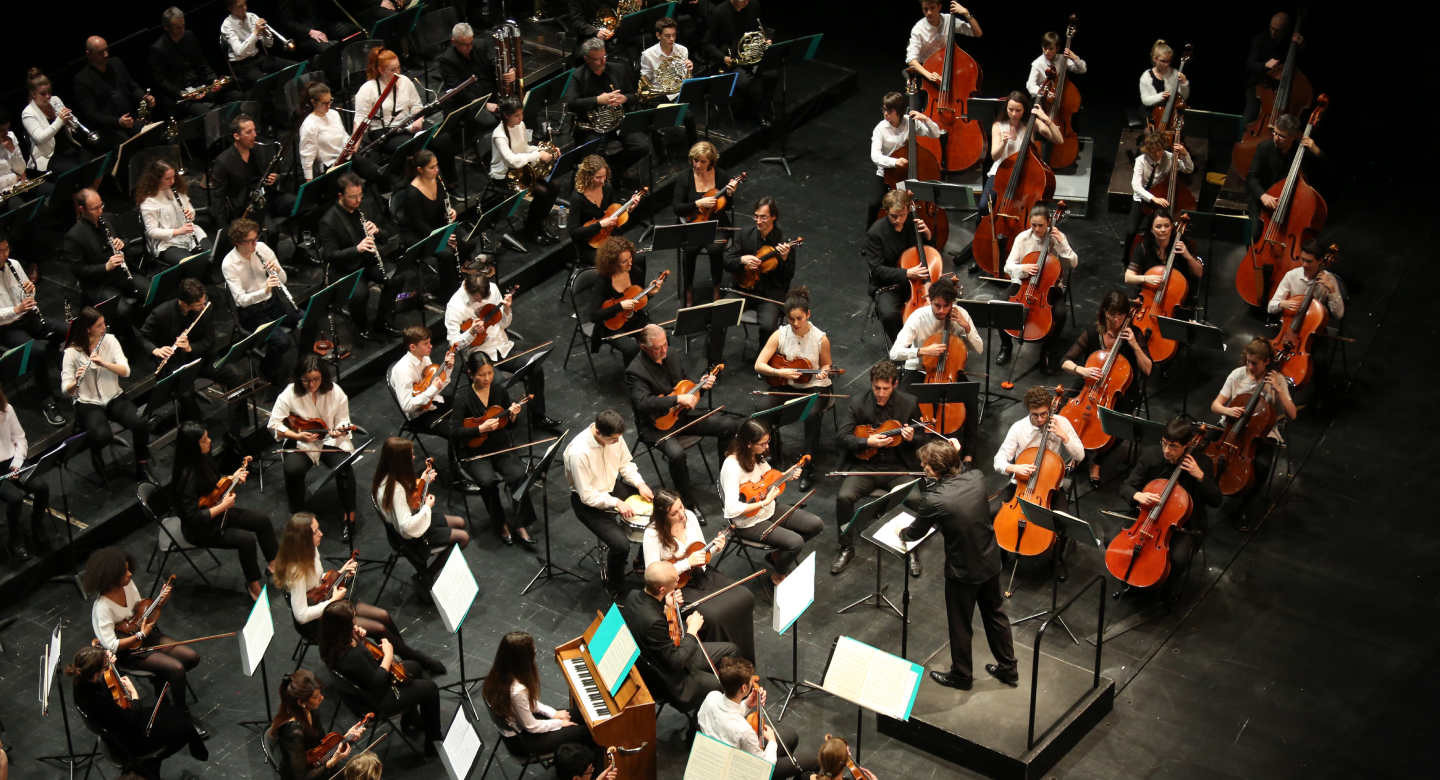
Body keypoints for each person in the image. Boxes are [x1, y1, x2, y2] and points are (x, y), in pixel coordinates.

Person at [899, 440, 1017, 689]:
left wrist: (902, 533)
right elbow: (962, 466)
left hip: (963, 571)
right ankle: (1009, 669)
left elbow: (914, 533)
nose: (923, 466)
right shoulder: (976, 477)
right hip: (990, 559)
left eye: (926, 464)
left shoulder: (935, 499)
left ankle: (962, 676)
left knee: (960, 625)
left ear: (938, 469)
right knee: (996, 615)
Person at [271, 512, 446, 672]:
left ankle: (403, 654)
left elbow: (317, 580)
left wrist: (340, 573)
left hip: (326, 603)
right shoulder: (296, 571)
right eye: (315, 532)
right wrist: (332, 602)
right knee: (379, 628)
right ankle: (416, 659)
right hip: (316, 621)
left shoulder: (312, 549)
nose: (321, 533)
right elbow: (301, 615)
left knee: (384, 615)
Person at [626, 324, 740, 523]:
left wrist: (701, 386)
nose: (663, 350)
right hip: (655, 425)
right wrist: (676, 400)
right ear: (643, 347)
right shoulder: (635, 371)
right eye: (657, 348)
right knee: (676, 454)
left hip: (681, 416)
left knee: (728, 425)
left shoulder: (671, 354)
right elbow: (643, 403)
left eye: (665, 344)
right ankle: (688, 504)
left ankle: (726, 480)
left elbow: (684, 385)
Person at [83, 547, 206, 731]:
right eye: (124, 572)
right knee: (177, 669)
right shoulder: (102, 607)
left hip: (145, 636)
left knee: (191, 657)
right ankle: (182, 716)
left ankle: (160, 682)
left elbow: (141, 614)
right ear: (111, 576)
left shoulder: (128, 585)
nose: (130, 573)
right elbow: (111, 644)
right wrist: (140, 635)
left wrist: (160, 602)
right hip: (129, 652)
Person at [832, 360, 929, 576]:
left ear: (894, 384)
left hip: (897, 468)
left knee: (915, 500)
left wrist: (912, 438)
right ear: (871, 383)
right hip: (865, 466)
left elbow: (924, 438)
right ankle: (846, 547)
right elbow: (841, 437)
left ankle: (910, 546)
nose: (881, 394)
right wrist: (867, 443)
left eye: (886, 388)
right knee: (844, 497)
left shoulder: (909, 402)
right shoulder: (857, 403)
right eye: (877, 388)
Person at [317, 601, 442, 756]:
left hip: (367, 687)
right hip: (376, 701)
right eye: (352, 620)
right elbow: (377, 682)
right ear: (343, 626)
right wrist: (388, 654)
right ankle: (433, 741)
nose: (355, 621)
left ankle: (411, 718)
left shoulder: (330, 643)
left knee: (414, 667)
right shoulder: (351, 656)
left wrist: (357, 636)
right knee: (431, 689)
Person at [1121, 418, 1222, 608]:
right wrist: (1138, 496)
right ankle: (1130, 582)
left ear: (1187, 445)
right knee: (1113, 539)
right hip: (1148, 518)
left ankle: (1166, 589)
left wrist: (1200, 476)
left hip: (1183, 525)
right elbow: (1127, 485)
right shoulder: (1152, 454)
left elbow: (1217, 501)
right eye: (1164, 443)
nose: (1167, 451)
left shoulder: (1203, 464)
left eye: (1173, 447)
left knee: (1178, 558)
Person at [645, 489, 757, 658]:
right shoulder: (652, 534)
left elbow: (702, 553)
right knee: (714, 616)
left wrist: (716, 549)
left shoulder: (689, 517)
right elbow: (653, 576)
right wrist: (686, 564)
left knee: (745, 597)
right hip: (677, 585)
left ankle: (744, 660)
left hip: (702, 574)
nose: (681, 514)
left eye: (681, 507)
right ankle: (723, 663)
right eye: (674, 513)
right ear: (663, 516)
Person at [170, 422, 277, 598]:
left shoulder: (203, 457)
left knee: (261, 519)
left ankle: (274, 565)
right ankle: (253, 584)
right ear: (192, 446)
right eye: (204, 440)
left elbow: (212, 484)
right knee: (246, 540)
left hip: (216, 510)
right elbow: (192, 517)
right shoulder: (185, 477)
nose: (210, 441)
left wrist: (231, 479)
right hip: (199, 528)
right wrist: (223, 506)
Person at [444, 271, 561, 429]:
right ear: (468, 292)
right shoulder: (454, 307)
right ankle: (504, 422)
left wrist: (506, 311)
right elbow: (453, 343)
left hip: (502, 347)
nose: (482, 302)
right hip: (479, 354)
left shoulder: (492, 289)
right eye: (478, 299)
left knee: (535, 367)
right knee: (496, 383)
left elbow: (503, 325)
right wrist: (471, 333)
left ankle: (538, 416)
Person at [65, 646, 207, 776]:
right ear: (96, 673)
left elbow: (103, 689)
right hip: (129, 741)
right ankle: (197, 753)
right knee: (184, 723)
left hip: (114, 729)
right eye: (105, 666)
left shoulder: (80, 682)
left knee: (172, 712)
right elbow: (134, 721)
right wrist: (134, 696)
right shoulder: (100, 702)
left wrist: (110, 667)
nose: (107, 667)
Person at [1059, 291, 1152, 486]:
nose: (1116, 319)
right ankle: (1078, 452)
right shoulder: (1093, 332)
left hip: (1121, 391)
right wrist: (1081, 370)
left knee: (1121, 425)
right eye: (1112, 314)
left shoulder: (1134, 334)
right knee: (1064, 410)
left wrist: (1135, 345)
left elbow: (1148, 369)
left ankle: (1098, 463)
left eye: (1121, 315)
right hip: (1090, 384)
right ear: (1104, 312)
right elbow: (1065, 361)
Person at [622, 561, 740, 712]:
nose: (678, 580)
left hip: (664, 655)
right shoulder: (654, 622)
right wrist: (692, 630)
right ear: (662, 589)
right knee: (726, 687)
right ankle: (704, 721)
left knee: (732, 650)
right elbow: (677, 662)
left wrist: (667, 607)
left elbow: (650, 623)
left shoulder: (633, 596)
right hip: (672, 677)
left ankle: (709, 692)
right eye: (675, 579)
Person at [448, 351, 538, 544]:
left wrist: (513, 416)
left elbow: (509, 425)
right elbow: (454, 431)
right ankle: (501, 524)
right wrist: (479, 428)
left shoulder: (499, 391)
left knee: (518, 475)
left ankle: (521, 522)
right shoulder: (462, 399)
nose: (487, 378)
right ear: (471, 374)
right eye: (481, 374)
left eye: (489, 372)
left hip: (499, 445)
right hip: (474, 451)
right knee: (487, 482)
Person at [888, 276, 982, 462]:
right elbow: (894, 353)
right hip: (920, 369)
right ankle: (906, 449)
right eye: (937, 305)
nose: (941, 311)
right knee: (902, 401)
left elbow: (979, 348)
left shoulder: (960, 314)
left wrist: (966, 327)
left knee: (971, 400)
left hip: (950, 371)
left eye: (946, 306)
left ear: (952, 304)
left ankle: (969, 454)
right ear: (930, 300)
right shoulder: (918, 317)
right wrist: (922, 351)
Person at [720, 422, 824, 589]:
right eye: (762, 444)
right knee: (795, 542)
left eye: (767, 442)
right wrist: (765, 502)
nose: (766, 447)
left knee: (816, 524)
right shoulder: (732, 468)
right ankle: (779, 574)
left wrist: (786, 476)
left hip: (768, 509)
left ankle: (777, 555)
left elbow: (767, 480)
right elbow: (731, 508)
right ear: (748, 443)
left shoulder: (756, 454)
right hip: (747, 522)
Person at [563, 410, 654, 597]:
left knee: (657, 514)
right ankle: (616, 585)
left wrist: (640, 483)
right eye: (613, 439)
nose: (617, 442)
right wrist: (617, 503)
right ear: (598, 433)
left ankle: (641, 562)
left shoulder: (614, 436)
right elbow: (587, 495)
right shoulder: (578, 453)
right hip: (588, 502)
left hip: (612, 488)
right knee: (620, 546)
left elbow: (626, 464)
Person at [1209, 338, 1296, 526]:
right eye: (1248, 361)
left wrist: (1279, 391)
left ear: (1267, 361)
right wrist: (1228, 411)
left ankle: (1245, 506)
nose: (1249, 366)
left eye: (1254, 363)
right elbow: (1215, 405)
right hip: (1231, 426)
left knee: (1262, 465)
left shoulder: (1277, 379)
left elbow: (1293, 414)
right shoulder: (1237, 375)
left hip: (1261, 432)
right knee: (1203, 446)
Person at [141, 279, 245, 431]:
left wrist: (190, 348)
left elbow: (210, 342)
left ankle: (236, 430)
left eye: (204, 301)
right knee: (185, 394)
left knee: (237, 375)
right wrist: (155, 350)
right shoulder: (161, 313)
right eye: (198, 305)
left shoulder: (205, 308)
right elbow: (142, 336)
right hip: (174, 364)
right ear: (184, 303)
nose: (203, 306)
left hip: (200, 357)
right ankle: (199, 432)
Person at [62, 306, 150, 481]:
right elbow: (66, 390)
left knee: (140, 423)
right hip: (88, 402)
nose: (105, 327)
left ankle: (142, 464)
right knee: (102, 436)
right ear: (88, 329)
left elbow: (126, 371)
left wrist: (104, 363)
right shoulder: (71, 352)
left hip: (114, 396)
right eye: (100, 325)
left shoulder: (110, 340)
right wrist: (76, 381)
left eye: (104, 323)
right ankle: (97, 456)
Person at [752, 287, 829, 486]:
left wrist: (824, 370)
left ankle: (807, 466)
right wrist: (779, 373)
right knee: (762, 409)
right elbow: (759, 364)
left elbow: (827, 364)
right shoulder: (780, 334)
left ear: (808, 315)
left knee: (812, 415)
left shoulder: (821, 339)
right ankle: (769, 454)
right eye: (791, 319)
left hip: (814, 385)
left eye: (800, 318)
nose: (795, 323)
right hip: (788, 383)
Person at [269, 356, 358, 523]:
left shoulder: (335, 391)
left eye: (316, 379)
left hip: (328, 440)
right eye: (306, 380)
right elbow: (274, 424)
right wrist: (296, 435)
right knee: (293, 469)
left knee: (344, 466)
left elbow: (342, 419)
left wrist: (339, 430)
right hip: (301, 441)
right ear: (298, 377)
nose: (311, 385)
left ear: (323, 376)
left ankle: (349, 515)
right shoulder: (289, 393)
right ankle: (298, 518)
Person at [481, 632, 599, 758]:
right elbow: (532, 727)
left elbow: (529, 704)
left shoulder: (500, 673)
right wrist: (559, 723)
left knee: (584, 716)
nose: (535, 652)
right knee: (587, 732)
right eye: (533, 650)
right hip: (522, 741)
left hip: (520, 724)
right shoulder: (517, 691)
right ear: (523, 659)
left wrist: (553, 714)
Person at [698, 657, 816, 780]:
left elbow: (727, 713)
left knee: (791, 737)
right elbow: (764, 766)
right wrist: (772, 741)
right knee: (814, 761)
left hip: (718, 758)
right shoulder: (744, 731)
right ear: (744, 688)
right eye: (750, 681)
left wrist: (747, 704)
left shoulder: (711, 697)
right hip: (741, 771)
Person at [318, 172, 403, 338]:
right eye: (352, 197)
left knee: (397, 277)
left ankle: (383, 320)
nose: (357, 201)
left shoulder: (365, 207)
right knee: (360, 293)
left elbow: (385, 237)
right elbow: (329, 255)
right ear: (341, 196)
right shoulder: (328, 221)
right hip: (346, 268)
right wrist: (357, 249)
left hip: (368, 261)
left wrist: (377, 231)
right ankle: (359, 323)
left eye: (360, 195)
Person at [356, 48, 459, 183]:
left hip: (409, 123)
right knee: (413, 147)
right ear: (381, 70)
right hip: (385, 132)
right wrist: (354, 148)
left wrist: (419, 119)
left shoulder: (404, 81)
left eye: (398, 68)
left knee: (442, 138)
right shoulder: (367, 90)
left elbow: (416, 105)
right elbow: (360, 120)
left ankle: (451, 182)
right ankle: (421, 187)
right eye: (393, 70)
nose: (398, 73)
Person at [995, 203, 1077, 372]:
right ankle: (1006, 346)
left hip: (1050, 287)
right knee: (999, 306)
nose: (1037, 229)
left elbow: (1074, 262)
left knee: (1061, 313)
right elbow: (1007, 267)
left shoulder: (1057, 237)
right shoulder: (1022, 238)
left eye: (1041, 225)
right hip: (1023, 283)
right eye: (1034, 225)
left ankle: (1047, 350)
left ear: (1049, 222)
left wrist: (1061, 244)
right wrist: (1021, 268)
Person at [372, 436, 469, 574]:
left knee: (460, 522)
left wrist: (424, 481)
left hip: (412, 519)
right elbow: (407, 526)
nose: (413, 456)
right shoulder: (395, 490)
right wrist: (427, 507)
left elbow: (410, 498)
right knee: (463, 538)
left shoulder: (386, 475)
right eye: (410, 455)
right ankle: (427, 576)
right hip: (412, 537)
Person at [0, 234, 67, 425]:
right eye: (1, 251)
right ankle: (48, 401)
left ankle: (76, 376)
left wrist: (30, 292)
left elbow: (24, 293)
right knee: (37, 350)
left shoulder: (13, 264)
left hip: (28, 318)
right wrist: (16, 309)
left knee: (70, 329)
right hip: (6, 329)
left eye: (7, 249)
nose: (6, 254)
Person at [223, 217, 299, 382]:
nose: (254, 244)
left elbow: (283, 279)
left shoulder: (262, 249)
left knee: (309, 317)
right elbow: (240, 300)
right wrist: (265, 290)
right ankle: (267, 367)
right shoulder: (229, 264)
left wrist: (277, 270)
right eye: (249, 242)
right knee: (282, 341)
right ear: (237, 242)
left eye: (255, 239)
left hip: (273, 304)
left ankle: (304, 358)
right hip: (252, 313)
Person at [564, 38, 647, 180]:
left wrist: (624, 98)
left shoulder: (618, 69)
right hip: (593, 128)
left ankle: (612, 171)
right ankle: (610, 174)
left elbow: (634, 95)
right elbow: (571, 103)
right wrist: (597, 100)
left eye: (604, 56)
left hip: (619, 121)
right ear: (586, 59)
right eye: (597, 59)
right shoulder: (577, 76)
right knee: (592, 158)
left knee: (642, 147)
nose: (602, 61)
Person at [64, 189, 144, 338]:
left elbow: (125, 239)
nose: (100, 211)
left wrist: (123, 244)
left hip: (122, 273)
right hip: (100, 284)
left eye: (101, 206)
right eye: (95, 209)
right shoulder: (74, 236)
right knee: (123, 311)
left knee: (151, 291)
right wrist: (105, 267)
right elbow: (78, 270)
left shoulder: (109, 219)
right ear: (82, 209)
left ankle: (144, 330)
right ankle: (126, 340)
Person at [994, 385, 1084, 517]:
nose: (1040, 419)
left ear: (1049, 409)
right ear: (1028, 411)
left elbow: (1080, 455)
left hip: (1052, 486)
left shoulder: (1062, 422)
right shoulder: (1018, 428)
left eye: (1044, 414)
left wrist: (1064, 436)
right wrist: (1014, 468)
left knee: (1062, 523)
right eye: (1035, 415)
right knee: (990, 512)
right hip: (1021, 484)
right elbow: (998, 462)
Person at [268, 668, 367, 780]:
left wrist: (347, 737)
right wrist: (332, 761)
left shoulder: (310, 711)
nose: (322, 698)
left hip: (319, 765)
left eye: (320, 693)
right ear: (301, 702)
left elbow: (322, 746)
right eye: (316, 697)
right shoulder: (294, 732)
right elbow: (301, 777)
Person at [864, 189, 934, 343]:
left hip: (918, 282)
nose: (898, 220)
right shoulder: (875, 233)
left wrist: (928, 236)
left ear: (908, 209)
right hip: (890, 284)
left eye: (902, 215)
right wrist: (907, 273)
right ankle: (903, 347)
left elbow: (928, 253)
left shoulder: (913, 221)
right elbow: (876, 270)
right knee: (889, 314)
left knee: (940, 303)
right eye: (893, 216)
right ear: (887, 211)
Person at [673, 142, 739, 306]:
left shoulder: (721, 175)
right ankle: (689, 289)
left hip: (716, 224)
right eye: (695, 160)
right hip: (692, 223)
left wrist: (729, 194)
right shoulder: (684, 178)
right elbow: (677, 208)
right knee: (689, 249)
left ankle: (716, 289)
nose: (697, 165)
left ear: (710, 161)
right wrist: (698, 203)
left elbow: (727, 206)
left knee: (716, 248)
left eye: (702, 161)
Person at [489, 98, 561, 246]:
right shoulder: (499, 135)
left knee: (554, 184)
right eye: (517, 115)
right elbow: (511, 160)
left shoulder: (520, 125)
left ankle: (540, 223)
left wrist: (544, 150)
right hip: (504, 175)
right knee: (541, 192)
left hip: (520, 169)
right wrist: (537, 155)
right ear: (506, 115)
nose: (521, 118)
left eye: (521, 114)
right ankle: (531, 226)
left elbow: (525, 148)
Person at [725, 197, 796, 346]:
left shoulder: (783, 241)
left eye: (763, 217)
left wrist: (783, 260)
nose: (758, 221)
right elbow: (727, 263)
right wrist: (742, 260)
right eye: (756, 216)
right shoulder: (745, 233)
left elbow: (786, 278)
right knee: (717, 315)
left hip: (768, 295)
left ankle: (762, 363)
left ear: (774, 217)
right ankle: (713, 362)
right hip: (742, 289)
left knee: (768, 326)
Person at [978, 91, 1062, 216]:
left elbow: (1059, 140)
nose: (1014, 113)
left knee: (1027, 208)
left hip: (1026, 173)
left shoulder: (1031, 123)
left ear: (1024, 110)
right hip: (1001, 171)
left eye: (1018, 110)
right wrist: (1003, 143)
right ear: (1006, 108)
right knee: (984, 206)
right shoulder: (998, 125)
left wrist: (1046, 119)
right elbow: (995, 156)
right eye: (1010, 109)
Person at [866, 91, 941, 230]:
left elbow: (935, 134)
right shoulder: (880, 129)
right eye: (883, 110)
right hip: (888, 173)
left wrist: (925, 119)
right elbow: (875, 156)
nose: (885, 113)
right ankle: (869, 235)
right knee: (874, 204)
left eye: (889, 110)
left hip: (910, 171)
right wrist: (894, 162)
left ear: (899, 111)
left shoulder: (910, 122)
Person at [398, 149, 468, 296]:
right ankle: (447, 291)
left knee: (467, 242)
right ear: (420, 170)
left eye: (437, 165)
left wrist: (450, 211)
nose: (436, 169)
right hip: (418, 234)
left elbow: (442, 205)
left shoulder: (438, 179)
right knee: (446, 253)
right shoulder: (412, 193)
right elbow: (419, 225)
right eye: (432, 167)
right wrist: (442, 237)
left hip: (436, 226)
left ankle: (458, 276)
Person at [1245, 112, 1325, 238]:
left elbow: (1327, 170)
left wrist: (1316, 150)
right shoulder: (1263, 148)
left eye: (1281, 136)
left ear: (1293, 136)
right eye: (1275, 133)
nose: (1276, 138)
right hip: (1262, 201)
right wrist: (1263, 195)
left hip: (1289, 204)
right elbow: (1251, 178)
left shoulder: (1302, 150)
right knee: (1254, 234)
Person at [71, 36, 155, 152]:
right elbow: (91, 113)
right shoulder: (82, 80)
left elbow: (132, 86)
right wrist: (118, 122)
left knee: (153, 135)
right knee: (128, 148)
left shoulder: (115, 63)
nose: (105, 54)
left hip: (131, 119)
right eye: (101, 52)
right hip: (109, 129)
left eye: (106, 50)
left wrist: (144, 97)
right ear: (89, 54)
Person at [1123, 133, 1194, 265]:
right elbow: (1136, 186)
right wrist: (1153, 198)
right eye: (1153, 151)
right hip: (1143, 198)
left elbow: (1188, 169)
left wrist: (1185, 154)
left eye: (1160, 150)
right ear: (1147, 150)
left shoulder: (1169, 157)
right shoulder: (1141, 161)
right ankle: (1126, 259)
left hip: (1161, 197)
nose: (1157, 154)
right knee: (1132, 230)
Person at [704, 0, 777, 124]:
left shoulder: (753, 5)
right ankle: (751, 108)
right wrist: (723, 58)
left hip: (754, 55)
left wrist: (766, 39)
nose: (747, 2)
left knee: (772, 74)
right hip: (733, 59)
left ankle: (762, 111)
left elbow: (762, 28)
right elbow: (707, 44)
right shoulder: (718, 12)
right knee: (743, 82)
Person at [0, 387, 53, 559]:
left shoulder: (7, 409)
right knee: (15, 498)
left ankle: (36, 525)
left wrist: (16, 464)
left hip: (13, 461)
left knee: (42, 487)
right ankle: (15, 537)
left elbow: (20, 439)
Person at [150, 7, 231, 118]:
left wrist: (214, 80)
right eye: (177, 28)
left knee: (235, 96)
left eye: (183, 25)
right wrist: (183, 93)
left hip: (200, 87)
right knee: (209, 116)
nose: (181, 30)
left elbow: (202, 62)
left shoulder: (189, 36)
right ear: (166, 28)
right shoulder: (158, 49)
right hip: (182, 96)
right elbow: (161, 81)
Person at [587, 236, 656, 364]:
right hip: (611, 325)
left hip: (634, 319)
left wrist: (650, 294)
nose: (630, 263)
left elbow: (638, 303)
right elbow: (593, 316)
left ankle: (655, 370)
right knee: (630, 349)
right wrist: (620, 305)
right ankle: (634, 380)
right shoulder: (603, 281)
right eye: (624, 261)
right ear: (612, 263)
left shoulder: (636, 272)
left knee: (660, 336)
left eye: (630, 258)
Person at [211, 115, 285, 229]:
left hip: (268, 196)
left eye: (254, 130)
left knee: (305, 206)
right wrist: (224, 230)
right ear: (236, 136)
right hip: (248, 206)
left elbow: (267, 174)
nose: (254, 135)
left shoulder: (259, 149)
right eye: (249, 132)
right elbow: (218, 198)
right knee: (271, 231)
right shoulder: (223, 162)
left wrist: (276, 178)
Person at [136, 159, 211, 268]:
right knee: (191, 265)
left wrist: (191, 214)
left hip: (189, 234)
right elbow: (152, 232)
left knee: (211, 255)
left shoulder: (177, 190)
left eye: (173, 177)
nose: (172, 181)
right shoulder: (149, 202)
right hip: (167, 243)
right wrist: (178, 231)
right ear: (156, 179)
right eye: (168, 178)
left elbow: (189, 207)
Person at [1125, 207, 1203, 311]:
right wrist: (1146, 278)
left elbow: (1198, 273)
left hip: (1176, 300)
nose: (1163, 230)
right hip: (1150, 297)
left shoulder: (1182, 244)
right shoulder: (1143, 248)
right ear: (1152, 229)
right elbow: (1128, 277)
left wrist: (1187, 255)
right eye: (1158, 226)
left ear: (1172, 227)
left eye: (1167, 226)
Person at [437, 22, 504, 142]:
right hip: (466, 103)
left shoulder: (481, 45)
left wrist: (507, 72)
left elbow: (494, 64)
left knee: (515, 107)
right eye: (464, 45)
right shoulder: (447, 60)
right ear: (454, 42)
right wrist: (484, 104)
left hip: (490, 93)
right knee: (490, 121)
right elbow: (459, 91)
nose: (469, 47)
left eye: (471, 43)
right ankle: (487, 151)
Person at [570, 156, 641, 268]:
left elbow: (612, 218)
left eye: (604, 176)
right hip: (590, 245)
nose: (603, 181)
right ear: (587, 176)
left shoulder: (607, 189)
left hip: (609, 238)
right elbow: (573, 232)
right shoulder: (577, 198)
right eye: (598, 177)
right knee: (616, 265)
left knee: (638, 261)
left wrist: (629, 209)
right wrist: (600, 225)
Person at [640, 17, 698, 148]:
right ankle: (659, 151)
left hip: (676, 92)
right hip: (658, 94)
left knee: (689, 117)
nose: (672, 39)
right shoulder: (648, 55)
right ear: (658, 35)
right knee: (650, 121)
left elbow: (686, 78)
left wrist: (689, 69)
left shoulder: (682, 50)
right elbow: (645, 79)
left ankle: (695, 149)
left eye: (674, 35)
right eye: (667, 36)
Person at [21, 69, 89, 174]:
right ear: (33, 94)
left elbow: (72, 126)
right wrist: (60, 120)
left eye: (49, 92)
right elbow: (40, 138)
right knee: (78, 173)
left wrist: (71, 122)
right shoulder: (28, 113)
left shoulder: (55, 100)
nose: (48, 96)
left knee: (97, 165)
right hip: (50, 156)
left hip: (68, 146)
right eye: (42, 94)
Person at [389, 324, 454, 431]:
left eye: (429, 341)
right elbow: (406, 406)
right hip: (419, 415)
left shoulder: (425, 358)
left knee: (466, 403)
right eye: (426, 343)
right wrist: (432, 389)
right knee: (452, 432)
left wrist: (448, 368)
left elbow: (437, 387)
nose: (431, 346)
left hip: (433, 402)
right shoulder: (403, 370)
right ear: (413, 347)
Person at [1244, 12, 1304, 125]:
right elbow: (1249, 65)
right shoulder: (1260, 40)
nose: (1273, 32)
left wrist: (1303, 46)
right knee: (1247, 122)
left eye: (1277, 30)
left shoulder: (1291, 44)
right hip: (1258, 89)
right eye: (1271, 28)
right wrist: (1265, 65)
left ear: (1286, 30)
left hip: (1280, 92)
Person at [221, 0, 299, 85]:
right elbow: (239, 51)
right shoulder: (227, 25)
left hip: (258, 58)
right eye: (240, 6)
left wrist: (265, 34)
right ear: (230, 8)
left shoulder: (252, 16)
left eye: (245, 3)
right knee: (267, 83)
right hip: (242, 65)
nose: (245, 8)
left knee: (296, 67)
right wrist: (256, 33)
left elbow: (269, 44)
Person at [906, 1, 982, 78]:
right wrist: (928, 75)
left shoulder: (949, 20)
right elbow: (911, 59)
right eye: (925, 9)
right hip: (926, 66)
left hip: (946, 65)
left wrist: (967, 14)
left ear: (939, 7)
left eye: (932, 8)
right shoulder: (918, 29)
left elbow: (977, 33)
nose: (929, 12)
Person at [1026, 29, 1086, 98]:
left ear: (1057, 49)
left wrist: (1075, 58)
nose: (1047, 51)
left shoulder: (1062, 59)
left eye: (1051, 48)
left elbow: (1082, 70)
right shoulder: (1037, 64)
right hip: (1042, 98)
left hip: (1059, 95)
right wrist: (1044, 93)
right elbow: (1030, 85)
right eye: (1045, 48)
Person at [1139, 40, 1190, 118]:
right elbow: (1145, 100)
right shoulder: (1146, 76)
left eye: (1168, 61)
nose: (1166, 64)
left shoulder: (1174, 73)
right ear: (1155, 59)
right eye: (1163, 61)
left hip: (1171, 111)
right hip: (1151, 110)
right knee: (1147, 123)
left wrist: (1184, 83)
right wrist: (1160, 96)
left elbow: (1183, 98)